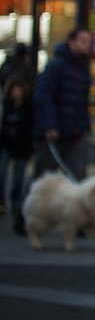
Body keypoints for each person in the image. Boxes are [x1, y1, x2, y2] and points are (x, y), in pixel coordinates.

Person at [33, 28, 92, 181]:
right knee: (44, 179)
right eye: (83, 41)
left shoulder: (83, 68)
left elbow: (82, 100)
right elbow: (42, 95)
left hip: (75, 133)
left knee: (76, 177)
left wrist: (85, 125)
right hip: (54, 132)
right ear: (71, 42)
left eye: (89, 42)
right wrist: (49, 125)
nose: (86, 45)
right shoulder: (56, 65)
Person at [2, 78, 35, 234]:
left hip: (22, 147)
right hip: (6, 145)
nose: (16, 92)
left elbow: (30, 128)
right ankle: (4, 202)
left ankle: (16, 205)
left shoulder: (28, 108)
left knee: (18, 177)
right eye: (14, 89)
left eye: (19, 89)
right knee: (2, 173)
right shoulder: (6, 106)